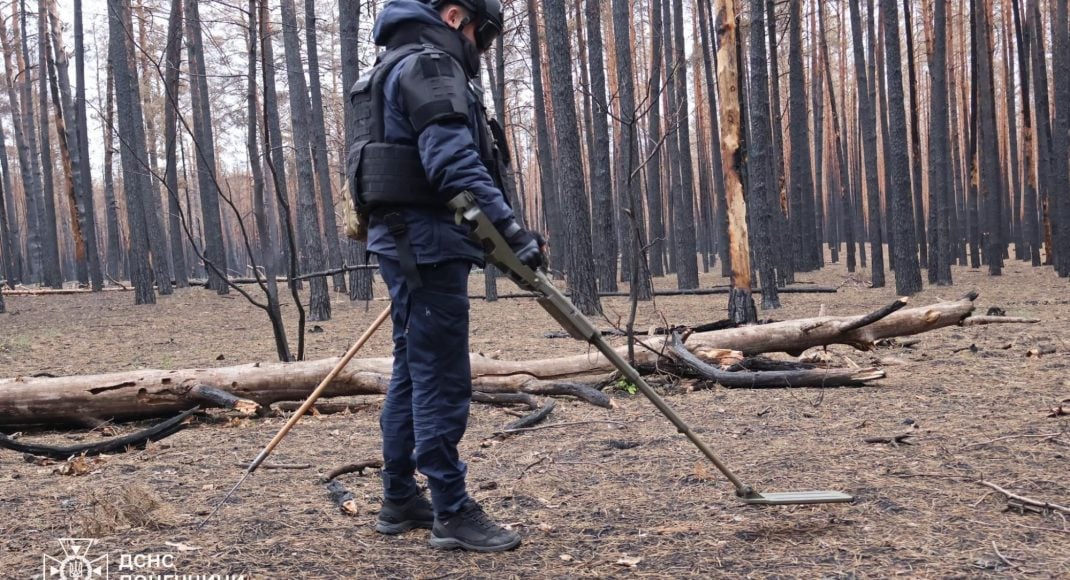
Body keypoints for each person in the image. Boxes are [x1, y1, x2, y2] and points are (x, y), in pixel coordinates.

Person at [348, 0, 543, 553]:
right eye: (482, 35)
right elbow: (452, 164)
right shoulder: (431, 66)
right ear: (457, 16)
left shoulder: (390, 65)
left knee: (412, 369)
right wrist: (511, 233)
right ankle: (451, 510)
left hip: (404, 241)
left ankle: (398, 497)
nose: (480, 50)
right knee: (440, 376)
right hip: (426, 244)